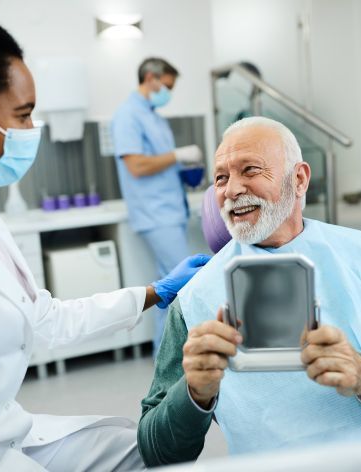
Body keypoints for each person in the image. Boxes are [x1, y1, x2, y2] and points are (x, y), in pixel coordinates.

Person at [0, 2, 209, 470]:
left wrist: (153, 294)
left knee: (147, 447)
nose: (33, 131)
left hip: (8, 432)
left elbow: (44, 317)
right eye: (23, 115)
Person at [137, 117, 361, 470]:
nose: (233, 189)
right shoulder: (196, 300)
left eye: (250, 170)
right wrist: (194, 393)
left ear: (299, 179)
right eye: (221, 178)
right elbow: (155, 452)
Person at [111, 57, 204, 354]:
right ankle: (169, 360)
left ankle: (171, 358)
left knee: (170, 289)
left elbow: (158, 163)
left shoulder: (154, 116)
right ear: (150, 77)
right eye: (167, 86)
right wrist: (177, 156)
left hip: (170, 209)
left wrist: (184, 171)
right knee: (176, 287)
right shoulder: (128, 115)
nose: (169, 93)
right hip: (155, 213)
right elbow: (136, 165)